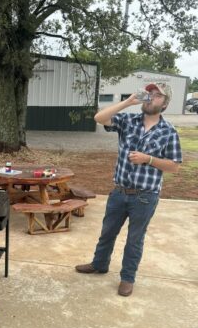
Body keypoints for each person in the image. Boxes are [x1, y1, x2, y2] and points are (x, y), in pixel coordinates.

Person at [75, 82, 182, 296]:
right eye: (149, 93)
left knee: (135, 239)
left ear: (165, 103)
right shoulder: (128, 121)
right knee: (107, 233)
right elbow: (99, 118)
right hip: (119, 192)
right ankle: (99, 264)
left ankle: (127, 278)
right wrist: (128, 102)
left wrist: (148, 159)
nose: (151, 97)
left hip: (145, 196)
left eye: (157, 95)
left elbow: (174, 166)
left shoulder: (169, 132)